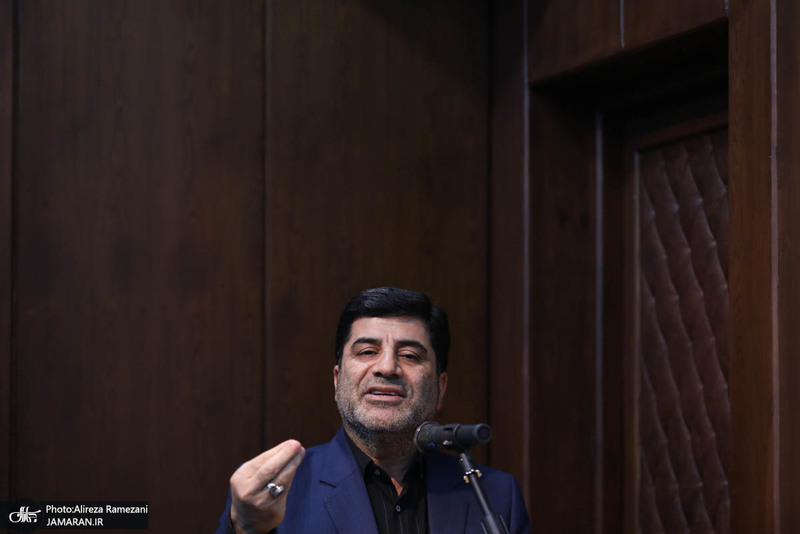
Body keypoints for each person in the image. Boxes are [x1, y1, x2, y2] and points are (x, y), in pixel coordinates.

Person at [215, 287, 530, 533]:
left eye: (410, 355)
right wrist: (244, 527)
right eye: (367, 351)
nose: (387, 367)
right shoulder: (273, 491)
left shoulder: (495, 495)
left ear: (440, 387)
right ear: (337, 380)